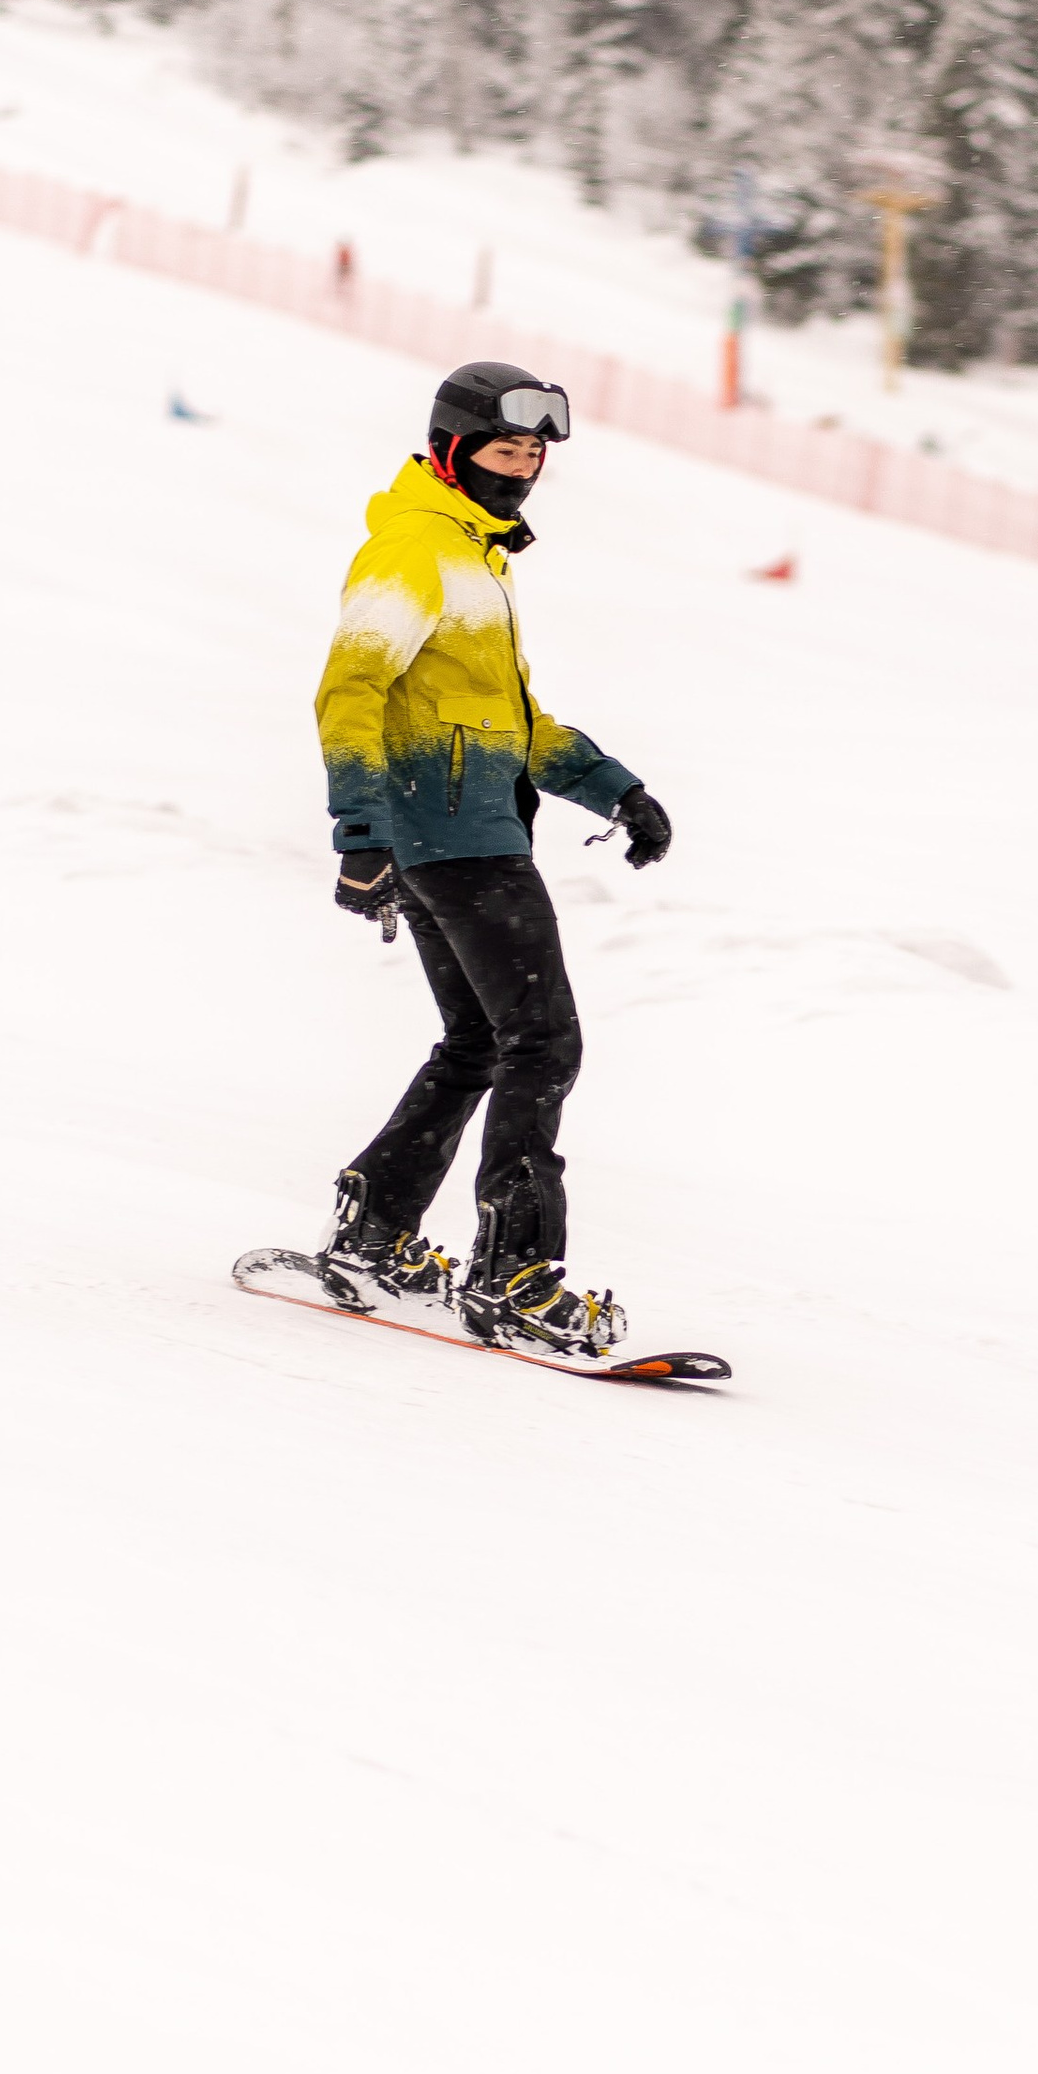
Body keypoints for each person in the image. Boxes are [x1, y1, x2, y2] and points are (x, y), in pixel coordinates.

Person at [313, 360, 671, 1356]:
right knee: (542, 1043)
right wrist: (362, 833)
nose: (520, 470)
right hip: (453, 838)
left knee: (478, 1043)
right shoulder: (415, 552)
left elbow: (509, 722)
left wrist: (617, 790)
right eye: (504, 451)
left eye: (531, 456)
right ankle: (515, 1272)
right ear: (452, 450)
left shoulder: (474, 557)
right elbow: (350, 694)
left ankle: (376, 1223)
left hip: (462, 829)